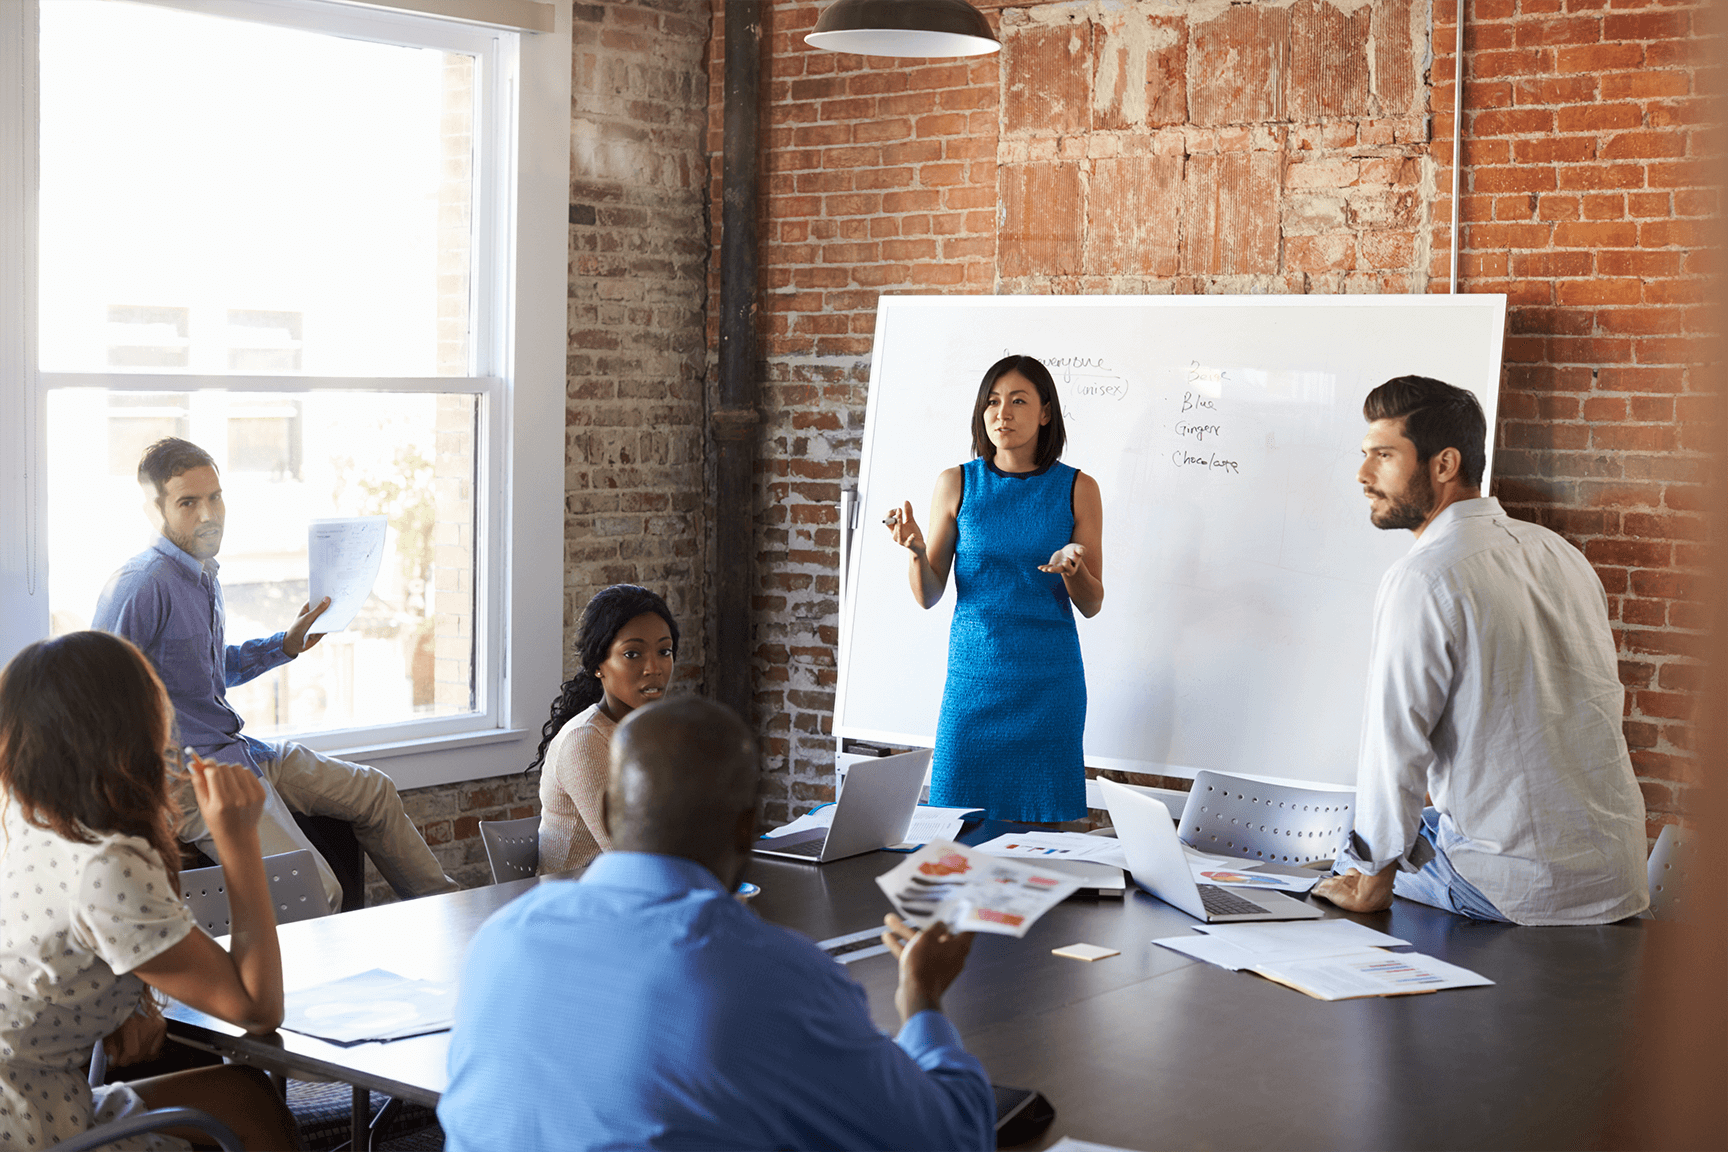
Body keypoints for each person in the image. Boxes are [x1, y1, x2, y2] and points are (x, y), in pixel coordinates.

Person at [440, 697, 996, 1151]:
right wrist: (922, 1000)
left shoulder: (501, 940)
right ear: (747, 828)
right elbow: (951, 1137)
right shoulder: (769, 977)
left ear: (609, 812)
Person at [1314, 375, 1648, 925]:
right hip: (1613, 878)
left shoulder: (1423, 576)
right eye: (1364, 454)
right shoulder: (1558, 551)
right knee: (1402, 828)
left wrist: (1372, 880)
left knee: (1342, 858)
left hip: (1514, 891)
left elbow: (1393, 743)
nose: (1363, 474)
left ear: (1443, 465)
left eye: (1384, 455)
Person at [91, 437, 456, 910]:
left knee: (375, 792)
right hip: (191, 778)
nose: (208, 514)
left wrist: (283, 645)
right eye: (188, 502)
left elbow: (204, 671)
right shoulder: (141, 585)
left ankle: (456, 919)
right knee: (317, 891)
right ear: (153, 511)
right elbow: (96, 699)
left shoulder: (203, 574)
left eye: (215, 497)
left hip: (241, 751)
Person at [0, 631, 302, 1150]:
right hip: (29, 1119)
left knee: (244, 1098)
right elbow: (258, 1008)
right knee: (254, 1109)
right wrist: (239, 841)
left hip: (29, 1087)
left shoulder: (22, 813)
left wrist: (133, 1000)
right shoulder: (104, 864)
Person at [885, 354, 1104, 823]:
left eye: (1018, 400)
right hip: (974, 686)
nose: (1001, 413)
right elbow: (928, 594)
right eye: (992, 401)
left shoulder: (1078, 488)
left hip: (1049, 688)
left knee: (1039, 845)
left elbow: (1092, 603)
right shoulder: (957, 483)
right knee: (954, 833)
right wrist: (916, 551)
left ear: (1046, 412)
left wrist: (1073, 571)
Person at [528, 584, 679, 871]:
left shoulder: (653, 731)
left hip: (636, 894)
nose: (654, 668)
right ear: (599, 664)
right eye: (633, 654)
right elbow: (630, 854)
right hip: (581, 904)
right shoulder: (584, 740)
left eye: (664, 651)